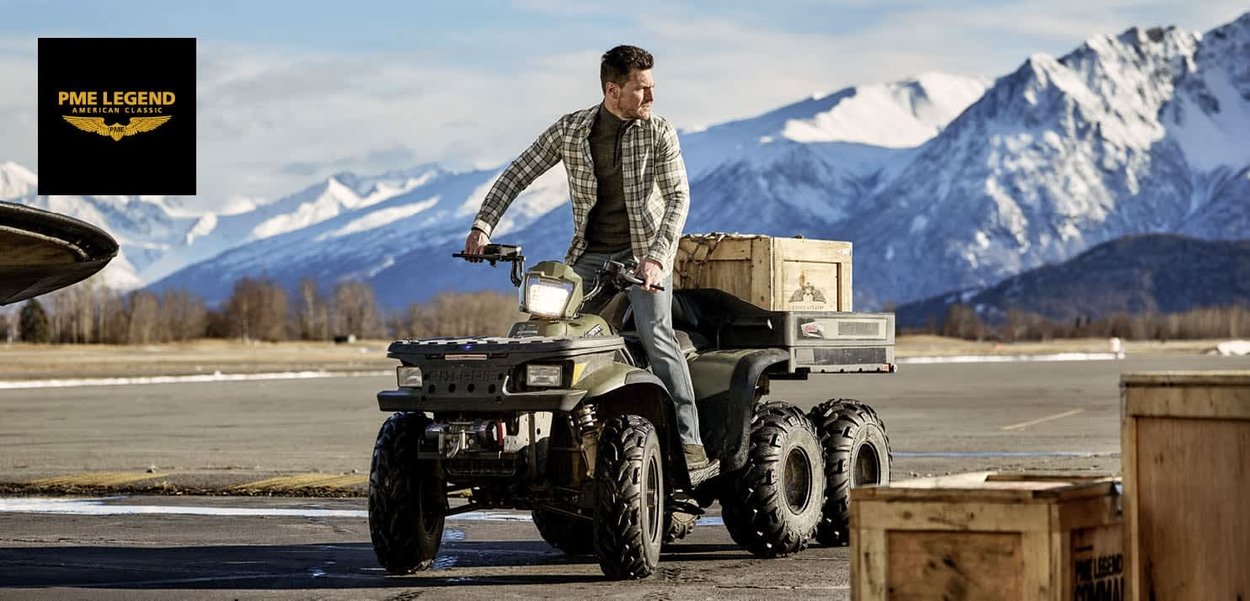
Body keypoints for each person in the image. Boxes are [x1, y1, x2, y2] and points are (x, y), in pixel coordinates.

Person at [463, 44, 715, 478]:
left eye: (652, 87)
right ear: (613, 90)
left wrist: (656, 259)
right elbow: (517, 173)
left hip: (644, 255)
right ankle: (534, 443)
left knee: (656, 334)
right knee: (546, 333)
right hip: (589, 254)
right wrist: (484, 225)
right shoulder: (572, 130)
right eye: (642, 89)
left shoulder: (659, 132)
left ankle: (689, 440)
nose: (651, 98)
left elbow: (678, 199)